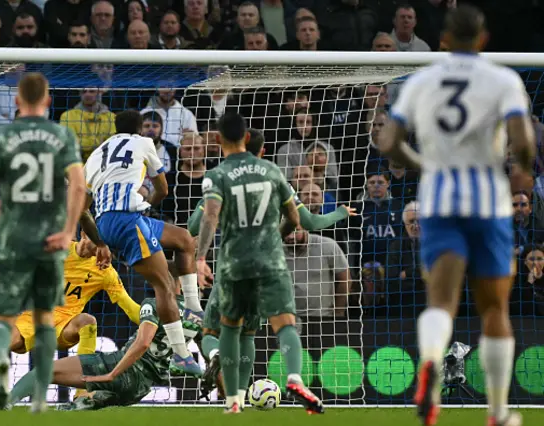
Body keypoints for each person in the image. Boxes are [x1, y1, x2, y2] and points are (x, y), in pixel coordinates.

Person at [378, 6, 535, 426]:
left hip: (441, 202)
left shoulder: (424, 80)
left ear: (444, 39)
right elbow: (523, 140)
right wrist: (521, 166)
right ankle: (499, 412)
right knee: (494, 310)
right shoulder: (503, 80)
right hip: (488, 204)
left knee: (440, 302)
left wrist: (420, 163)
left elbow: (388, 139)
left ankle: (431, 361)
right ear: (483, 40)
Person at [0, 73, 89, 413]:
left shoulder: (2, 136)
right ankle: (38, 393)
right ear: (49, 101)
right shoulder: (61, 135)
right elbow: (80, 188)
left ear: (15, 101)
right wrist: (69, 230)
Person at [189, 128, 356, 401]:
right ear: (263, 151)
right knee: (249, 334)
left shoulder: (221, 177)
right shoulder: (276, 178)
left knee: (211, 331)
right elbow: (309, 223)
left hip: (232, 266)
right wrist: (339, 212)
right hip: (265, 270)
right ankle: (245, 394)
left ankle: (217, 356)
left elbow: (196, 225)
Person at [0, 233, 141, 406]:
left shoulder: (105, 271)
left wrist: (153, 321)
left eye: (104, 244)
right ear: (83, 234)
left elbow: (128, 306)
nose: (101, 248)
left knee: (88, 321)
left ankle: (82, 392)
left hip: (65, 325)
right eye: (97, 240)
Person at [0, 271, 201, 411]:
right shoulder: (195, 318)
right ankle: (84, 401)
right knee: (77, 408)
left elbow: (142, 343)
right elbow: (210, 348)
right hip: (141, 389)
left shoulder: (155, 304)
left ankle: (4, 402)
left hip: (121, 369)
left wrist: (112, 373)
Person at [84, 110, 202, 378]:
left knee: (183, 239)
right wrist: (149, 204)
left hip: (107, 222)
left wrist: (99, 242)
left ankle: (194, 309)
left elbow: (82, 210)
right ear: (140, 129)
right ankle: (181, 355)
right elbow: (163, 189)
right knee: (164, 285)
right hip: (129, 220)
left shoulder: (94, 156)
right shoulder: (144, 143)